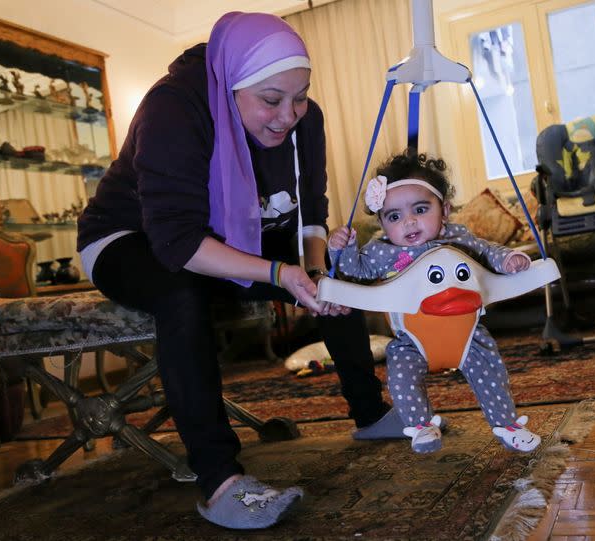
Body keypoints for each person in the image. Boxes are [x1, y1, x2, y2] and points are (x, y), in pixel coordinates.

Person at [77, 12, 402, 530]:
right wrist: (278, 273)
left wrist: (313, 271)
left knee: (333, 268)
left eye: (300, 97)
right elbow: (178, 243)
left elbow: (310, 211)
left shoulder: (305, 119)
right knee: (179, 293)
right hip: (129, 238)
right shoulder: (173, 108)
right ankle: (219, 479)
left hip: (232, 232)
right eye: (271, 100)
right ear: (229, 86)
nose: (288, 115)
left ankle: (371, 413)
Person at [327, 149, 542, 455]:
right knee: (399, 372)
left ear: (445, 210)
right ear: (383, 223)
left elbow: (486, 251)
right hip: (412, 341)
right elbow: (354, 270)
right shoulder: (382, 251)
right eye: (394, 216)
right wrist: (344, 248)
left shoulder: (456, 236)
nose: (409, 222)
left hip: (466, 333)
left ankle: (507, 425)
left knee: (491, 372)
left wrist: (509, 260)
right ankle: (421, 425)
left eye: (420, 209)